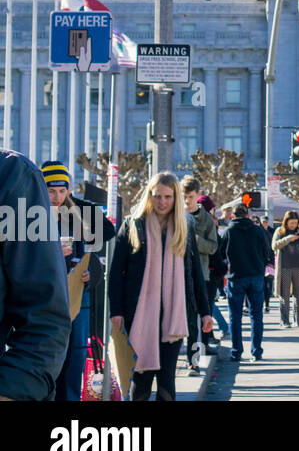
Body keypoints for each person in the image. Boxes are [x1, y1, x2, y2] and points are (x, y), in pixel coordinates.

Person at [107, 172, 213, 401]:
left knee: (167, 379)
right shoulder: (134, 224)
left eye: (167, 197)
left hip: (172, 315)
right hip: (138, 314)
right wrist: (115, 310)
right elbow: (116, 273)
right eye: (157, 196)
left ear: (175, 198)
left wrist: (205, 312)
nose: (162, 202)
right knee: (141, 378)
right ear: (149, 196)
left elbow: (194, 273)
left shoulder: (185, 227)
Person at [0, 150, 70, 401]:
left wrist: (13, 390)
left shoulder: (11, 175)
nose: (58, 196)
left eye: (62, 190)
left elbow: (46, 318)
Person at [45, 160, 99, 402]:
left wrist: (90, 276)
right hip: (46, 302)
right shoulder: (29, 220)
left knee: (74, 357)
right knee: (48, 358)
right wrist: (55, 251)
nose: (57, 197)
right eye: (51, 190)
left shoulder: (76, 218)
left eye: (61, 190)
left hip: (77, 299)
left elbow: (90, 257)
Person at [181, 176, 219, 373]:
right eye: (184, 196)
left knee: (195, 322)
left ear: (198, 196)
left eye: (190, 196)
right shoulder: (174, 214)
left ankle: (193, 361)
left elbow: (213, 247)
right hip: (177, 274)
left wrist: (197, 241)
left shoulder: (206, 219)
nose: (187, 200)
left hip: (199, 274)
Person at [224, 203, 271, 361]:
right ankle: (256, 350)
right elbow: (266, 250)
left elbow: (220, 252)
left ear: (233, 215)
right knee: (256, 315)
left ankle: (236, 351)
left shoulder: (229, 231)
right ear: (247, 214)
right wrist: (262, 264)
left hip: (236, 276)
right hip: (256, 275)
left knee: (235, 316)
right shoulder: (257, 230)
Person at [272, 211, 299, 328]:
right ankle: (284, 321)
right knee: (284, 295)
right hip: (285, 267)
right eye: (291, 223)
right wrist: (288, 239)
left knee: (298, 295)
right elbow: (274, 246)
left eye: (295, 223)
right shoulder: (279, 231)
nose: (293, 225)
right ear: (286, 222)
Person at [199, 196, 230, 343]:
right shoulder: (205, 223)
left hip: (211, 271)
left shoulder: (207, 222)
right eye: (212, 208)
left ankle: (208, 338)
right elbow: (213, 248)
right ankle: (205, 340)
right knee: (207, 307)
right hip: (208, 271)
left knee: (208, 307)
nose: (214, 212)